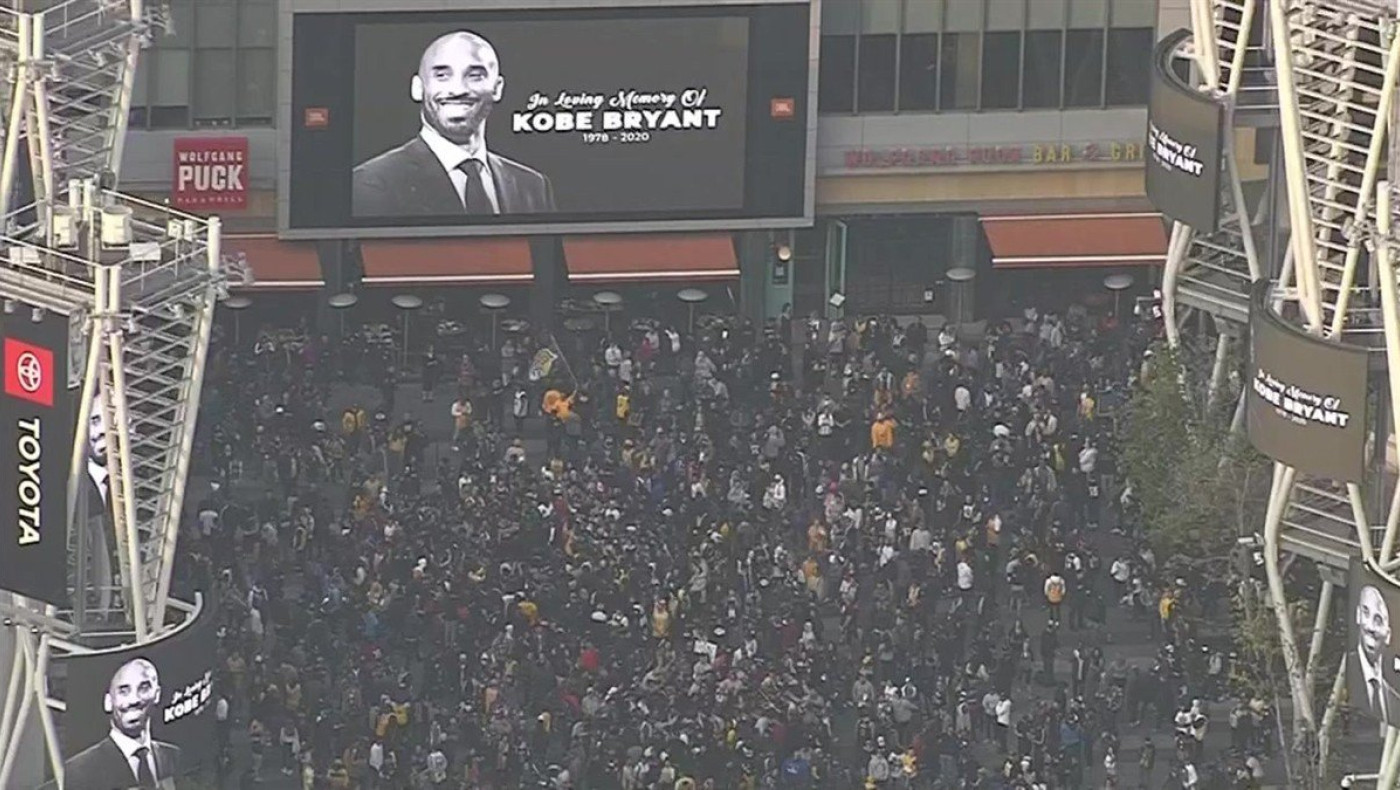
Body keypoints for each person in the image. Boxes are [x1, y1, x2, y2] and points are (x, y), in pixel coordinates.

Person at [353, 30, 555, 217]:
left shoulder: (533, 186)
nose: (458, 89)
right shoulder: (373, 182)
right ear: (418, 88)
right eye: (442, 75)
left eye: (475, 76)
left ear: (497, 88)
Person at [44, 658, 181, 790]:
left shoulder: (173, 757)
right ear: (108, 702)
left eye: (143, 688)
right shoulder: (78, 770)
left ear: (157, 694)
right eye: (123, 691)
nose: (133, 700)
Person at [1355, 584, 1400, 723]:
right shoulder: (1348, 670)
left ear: (1388, 635)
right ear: (1357, 615)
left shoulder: (1394, 702)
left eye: (1378, 621)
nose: (1370, 627)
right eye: (1366, 613)